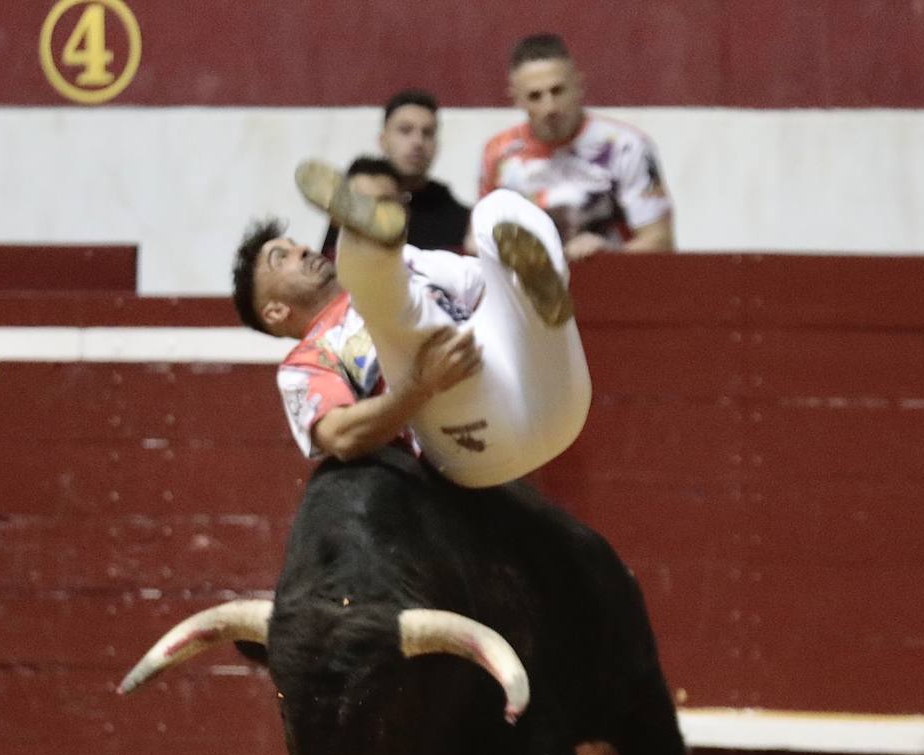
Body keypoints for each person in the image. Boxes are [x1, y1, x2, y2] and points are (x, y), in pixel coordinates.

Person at [233, 160, 591, 489]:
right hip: (474, 439)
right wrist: (421, 386)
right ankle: (364, 239)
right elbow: (341, 437)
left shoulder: (411, 262)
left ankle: (542, 288)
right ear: (275, 312)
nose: (304, 251)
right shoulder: (304, 364)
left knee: (497, 211)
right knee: (392, 308)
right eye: (282, 257)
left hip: (556, 398)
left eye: (297, 244)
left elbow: (489, 289)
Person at [480, 33, 674, 263]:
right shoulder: (500, 153)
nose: (550, 107)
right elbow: (480, 237)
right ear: (516, 99)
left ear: (578, 85)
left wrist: (610, 255)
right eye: (535, 96)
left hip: (612, 282)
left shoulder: (626, 146)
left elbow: (660, 241)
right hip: (527, 289)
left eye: (558, 91)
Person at [322, 90, 472, 256]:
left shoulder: (458, 218)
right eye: (405, 130)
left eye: (427, 133)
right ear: (383, 140)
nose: (418, 142)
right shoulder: (355, 204)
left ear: (437, 145)